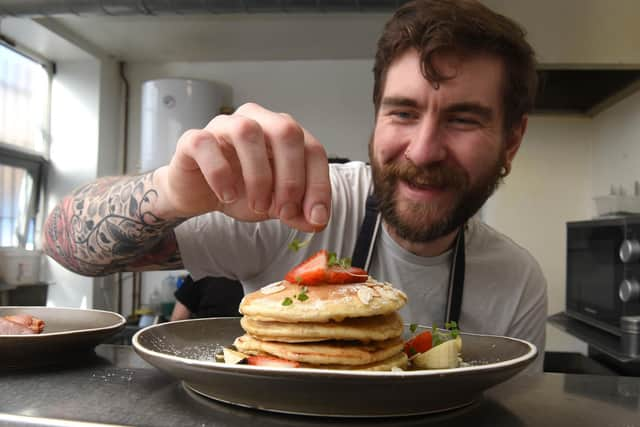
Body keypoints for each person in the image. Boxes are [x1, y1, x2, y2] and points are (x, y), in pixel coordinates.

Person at [42, 0, 547, 372]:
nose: (423, 150)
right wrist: (172, 191)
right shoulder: (296, 209)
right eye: (403, 112)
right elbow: (65, 246)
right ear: (376, 118)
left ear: (511, 140)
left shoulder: (517, 282)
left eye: (463, 119)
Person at [170, 275, 244, 321]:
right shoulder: (201, 272)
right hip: (204, 340)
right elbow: (178, 318)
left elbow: (178, 317)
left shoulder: (202, 272)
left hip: (249, 339)